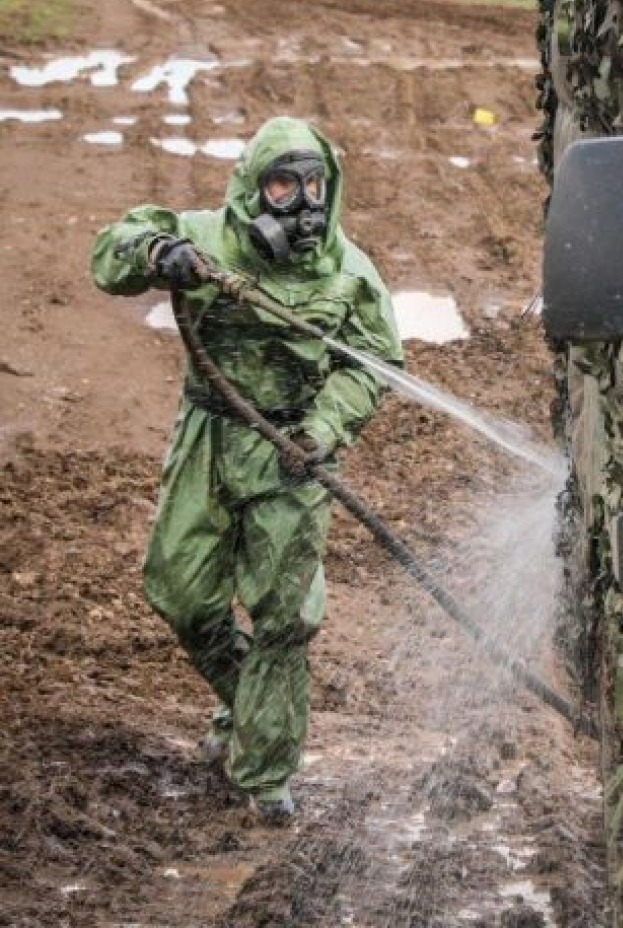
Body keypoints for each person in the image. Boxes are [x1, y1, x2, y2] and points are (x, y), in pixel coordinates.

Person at [92, 116, 402, 817]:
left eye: (314, 185)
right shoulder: (208, 238)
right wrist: (156, 252)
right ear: (253, 188)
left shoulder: (349, 271)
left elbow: (377, 361)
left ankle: (265, 775)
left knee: (283, 619)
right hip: (209, 437)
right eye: (283, 185)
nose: (302, 203)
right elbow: (110, 251)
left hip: (292, 454)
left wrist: (323, 430)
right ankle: (251, 705)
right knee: (180, 592)